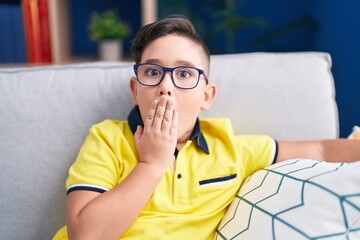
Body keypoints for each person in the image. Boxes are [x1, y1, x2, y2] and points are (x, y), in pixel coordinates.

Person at [53, 15, 360, 240]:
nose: (166, 87)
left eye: (184, 74)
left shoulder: (229, 146)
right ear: (136, 90)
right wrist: (152, 163)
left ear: (207, 95)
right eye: (153, 71)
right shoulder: (107, 138)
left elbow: (321, 149)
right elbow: (86, 235)